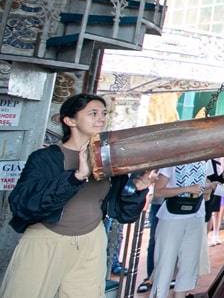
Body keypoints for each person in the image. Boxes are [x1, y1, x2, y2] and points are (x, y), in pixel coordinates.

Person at [0, 93, 154, 298]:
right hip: (45, 241)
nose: (101, 118)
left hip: (91, 241)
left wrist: (136, 189)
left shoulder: (110, 161)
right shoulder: (45, 158)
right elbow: (22, 204)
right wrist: (77, 176)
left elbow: (125, 214)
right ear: (69, 120)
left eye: (103, 113)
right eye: (93, 113)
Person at [150, 160, 214, 298]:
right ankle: (160, 294)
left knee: (189, 262)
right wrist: (186, 189)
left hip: (196, 213)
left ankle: (181, 295)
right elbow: (159, 191)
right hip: (172, 216)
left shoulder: (206, 160)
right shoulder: (174, 160)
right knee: (165, 260)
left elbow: (205, 185)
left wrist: (210, 187)